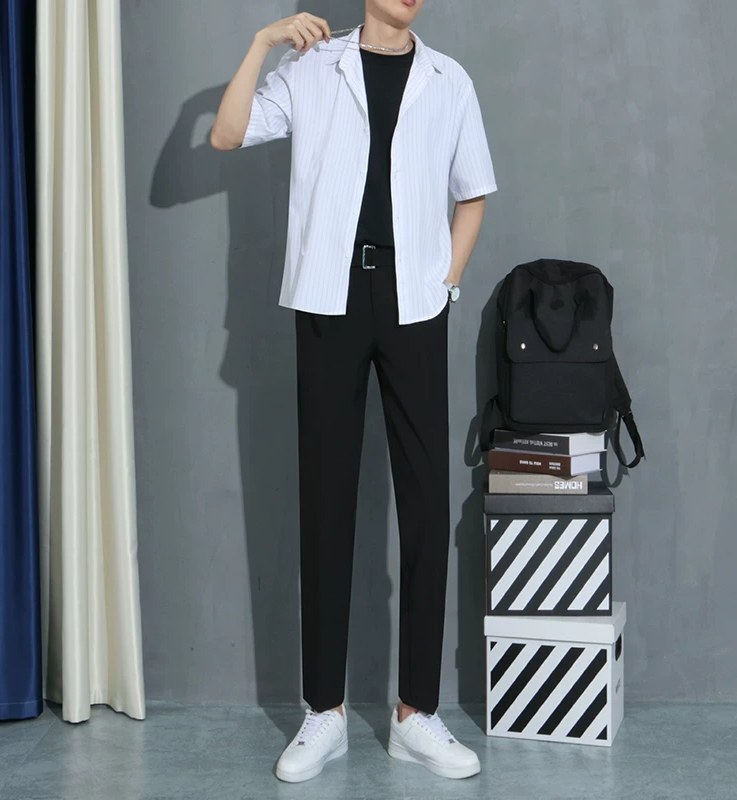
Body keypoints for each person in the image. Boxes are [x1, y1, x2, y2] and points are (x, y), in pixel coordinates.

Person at [210, 0, 497, 783]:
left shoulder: (449, 80)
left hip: (414, 304)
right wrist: (262, 41)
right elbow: (226, 134)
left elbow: (473, 192)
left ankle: (416, 715)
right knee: (326, 502)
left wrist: (444, 281)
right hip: (329, 301)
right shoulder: (311, 68)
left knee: (426, 504)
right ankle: (323, 713)